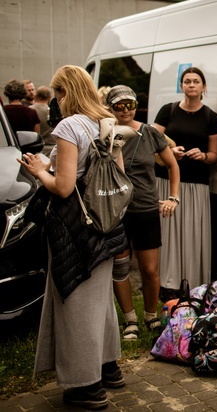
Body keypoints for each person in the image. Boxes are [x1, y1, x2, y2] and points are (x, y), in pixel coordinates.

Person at [18, 65, 128, 410]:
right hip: (107, 223)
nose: (57, 101)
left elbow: (63, 187)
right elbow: (119, 175)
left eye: (59, 93)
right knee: (101, 302)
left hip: (76, 228)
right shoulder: (106, 123)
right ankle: (110, 368)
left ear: (67, 92)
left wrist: (38, 171)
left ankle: (86, 386)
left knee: (77, 304)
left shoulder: (69, 126)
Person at [107, 85, 180, 341]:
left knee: (150, 270)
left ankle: (150, 316)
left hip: (146, 207)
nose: (125, 110)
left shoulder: (149, 133)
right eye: (119, 105)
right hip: (115, 210)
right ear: (110, 107)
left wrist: (173, 197)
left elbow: (172, 164)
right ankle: (130, 320)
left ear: (137, 106)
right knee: (120, 266)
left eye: (130, 104)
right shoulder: (104, 133)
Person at [153, 67, 217, 297]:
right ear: (181, 86)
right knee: (168, 234)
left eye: (196, 81)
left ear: (203, 87)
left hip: (196, 185)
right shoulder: (167, 111)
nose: (191, 85)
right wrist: (172, 150)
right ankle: (167, 285)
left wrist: (201, 156)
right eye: (187, 81)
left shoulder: (211, 117)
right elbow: (152, 141)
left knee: (193, 235)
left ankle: (193, 285)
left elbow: (214, 155)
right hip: (166, 181)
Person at [31, 85, 55, 155]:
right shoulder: (54, 112)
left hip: (39, 147)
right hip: (53, 146)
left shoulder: (30, 110)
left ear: (36, 96)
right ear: (50, 97)